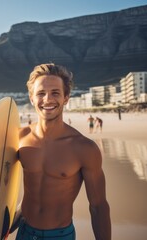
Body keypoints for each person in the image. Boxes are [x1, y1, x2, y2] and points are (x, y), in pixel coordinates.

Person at [13, 63, 111, 239]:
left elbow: (98, 206)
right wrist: (1, 227)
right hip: (24, 232)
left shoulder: (84, 148)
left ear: (66, 97)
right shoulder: (19, 137)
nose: (48, 99)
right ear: (31, 98)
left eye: (55, 93)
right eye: (41, 93)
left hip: (59, 235)